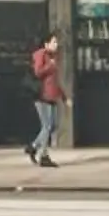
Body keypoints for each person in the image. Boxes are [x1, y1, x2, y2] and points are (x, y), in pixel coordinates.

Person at [26, 32, 63, 169]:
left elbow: (55, 80)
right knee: (47, 126)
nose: (56, 45)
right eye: (54, 42)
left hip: (51, 95)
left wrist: (63, 96)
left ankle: (34, 146)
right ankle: (44, 156)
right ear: (46, 44)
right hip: (42, 95)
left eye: (56, 42)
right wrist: (50, 66)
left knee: (53, 126)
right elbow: (37, 72)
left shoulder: (53, 57)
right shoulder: (40, 54)